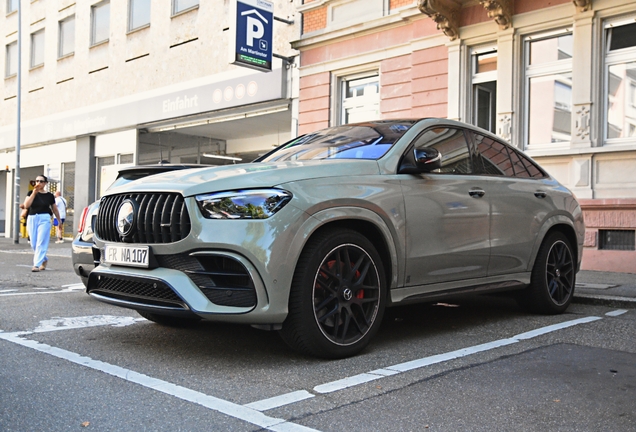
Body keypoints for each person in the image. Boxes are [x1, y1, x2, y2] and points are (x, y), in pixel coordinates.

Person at [22, 175, 62, 272]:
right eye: (37, 181)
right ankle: (44, 259)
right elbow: (26, 205)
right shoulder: (31, 193)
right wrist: (34, 193)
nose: (38, 183)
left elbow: (54, 209)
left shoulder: (49, 195)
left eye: (41, 181)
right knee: (33, 242)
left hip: (44, 218)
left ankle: (36, 265)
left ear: (45, 183)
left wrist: (59, 220)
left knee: (41, 242)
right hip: (32, 217)